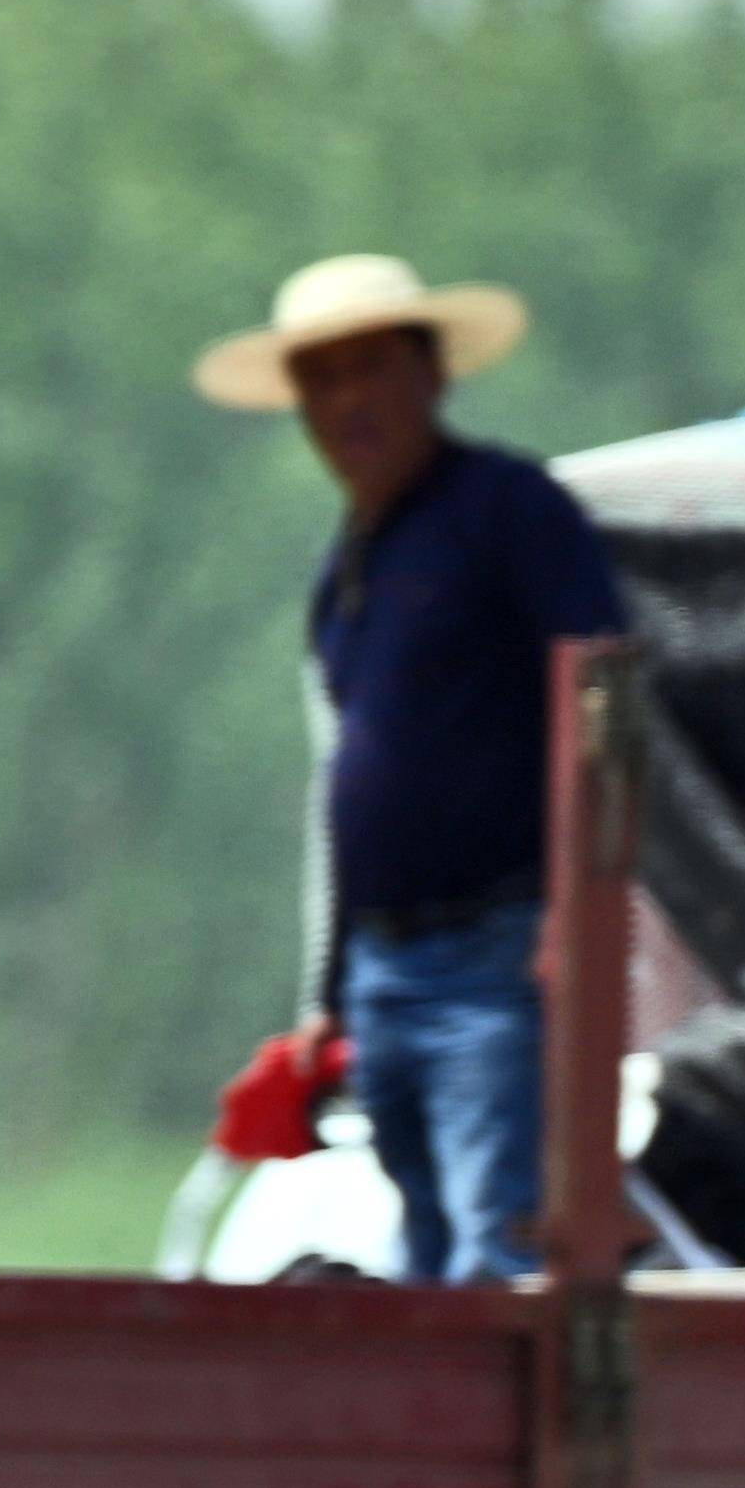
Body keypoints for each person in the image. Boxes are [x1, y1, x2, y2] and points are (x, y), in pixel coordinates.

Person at [195, 250, 621, 1284]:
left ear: (431, 375)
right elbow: (341, 777)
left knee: (492, 1245)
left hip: (496, 953)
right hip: (386, 970)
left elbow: (608, 698)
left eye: (370, 370)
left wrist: (580, 914)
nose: (347, 403)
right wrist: (328, 989)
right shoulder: (348, 566)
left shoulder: (507, 511)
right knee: (422, 1246)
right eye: (321, 381)